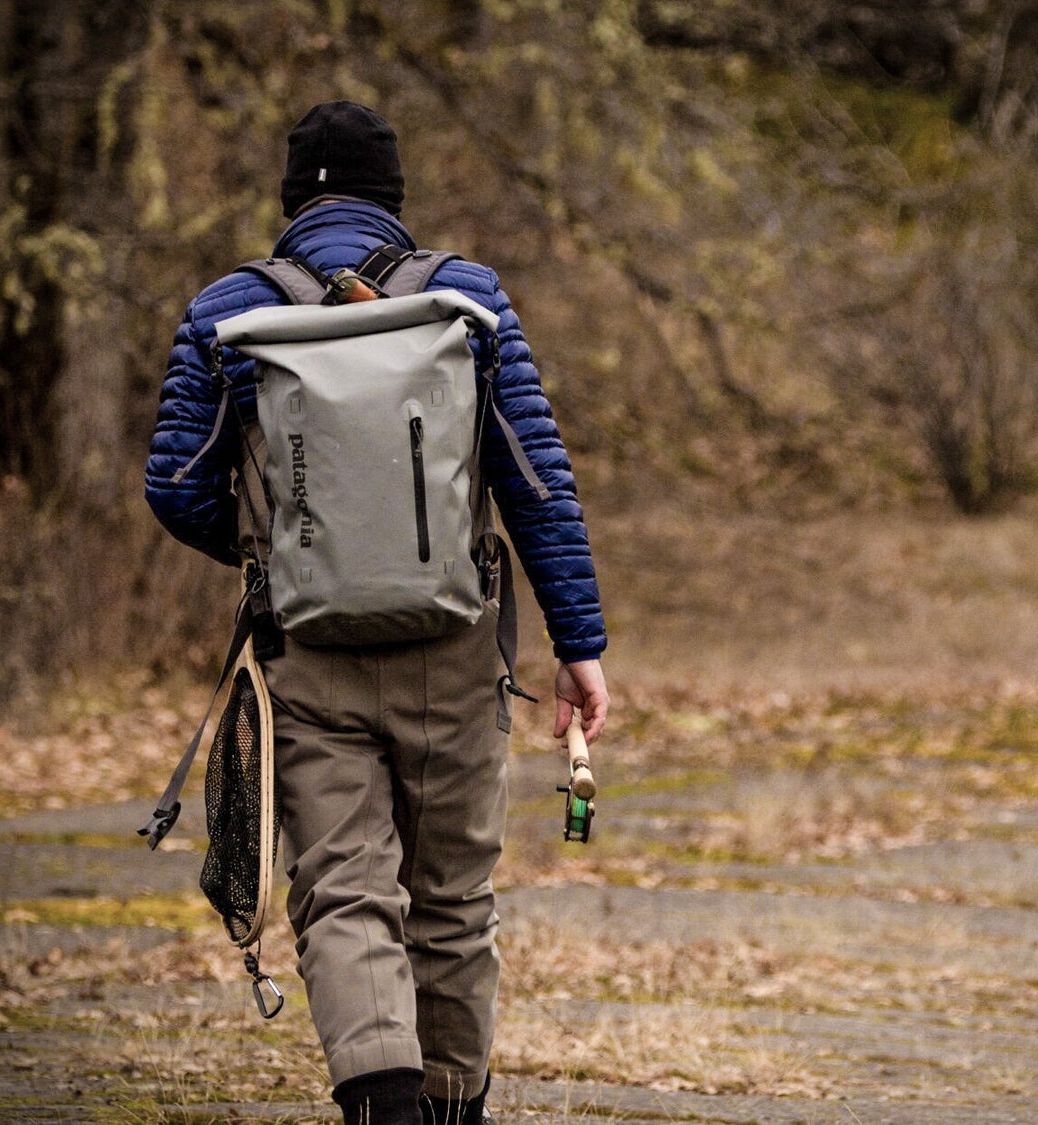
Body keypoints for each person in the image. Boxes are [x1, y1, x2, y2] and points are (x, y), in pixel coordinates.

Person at [144, 100, 609, 1125]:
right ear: (395, 200)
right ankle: (452, 1111)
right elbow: (535, 481)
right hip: (454, 644)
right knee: (450, 901)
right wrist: (580, 647)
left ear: (287, 202)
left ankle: (381, 1108)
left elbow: (175, 482)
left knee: (344, 892)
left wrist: (281, 553)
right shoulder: (466, 299)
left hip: (308, 657)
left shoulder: (230, 309)